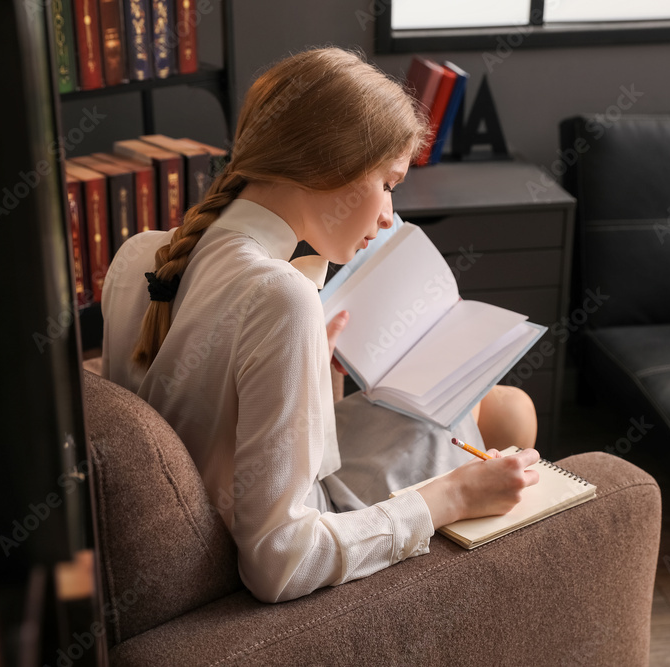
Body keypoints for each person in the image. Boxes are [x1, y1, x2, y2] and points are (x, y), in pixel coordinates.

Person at [101, 47, 540, 603]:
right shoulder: (280, 296)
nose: (388, 216)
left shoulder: (139, 256)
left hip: (243, 502)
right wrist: (451, 497)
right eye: (388, 183)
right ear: (330, 164)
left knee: (505, 408)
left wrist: (314, 367)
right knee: (508, 420)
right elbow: (279, 560)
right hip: (280, 535)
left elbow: (215, 426)